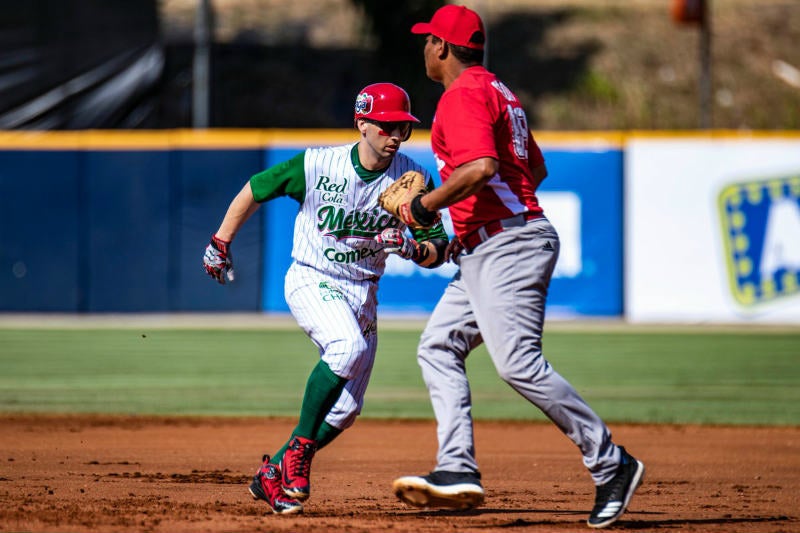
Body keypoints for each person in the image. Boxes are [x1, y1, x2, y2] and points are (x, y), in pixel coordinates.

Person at [390, 5, 645, 529]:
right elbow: (535, 167)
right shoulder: (497, 90)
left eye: (427, 40)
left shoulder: (460, 96)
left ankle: (611, 463)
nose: (423, 48)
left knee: (517, 363)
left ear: (442, 47)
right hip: (493, 242)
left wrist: (426, 206)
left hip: (508, 244)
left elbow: (482, 168)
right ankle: (456, 466)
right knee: (438, 346)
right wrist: (473, 228)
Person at [202, 82, 448, 515]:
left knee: (348, 409)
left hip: (362, 292)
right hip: (313, 276)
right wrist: (221, 241)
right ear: (362, 123)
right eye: (387, 126)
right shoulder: (319, 165)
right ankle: (299, 453)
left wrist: (409, 247)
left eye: (403, 129)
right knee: (347, 347)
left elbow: (439, 251)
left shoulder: (413, 178)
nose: (395, 137)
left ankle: (272, 473)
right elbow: (258, 187)